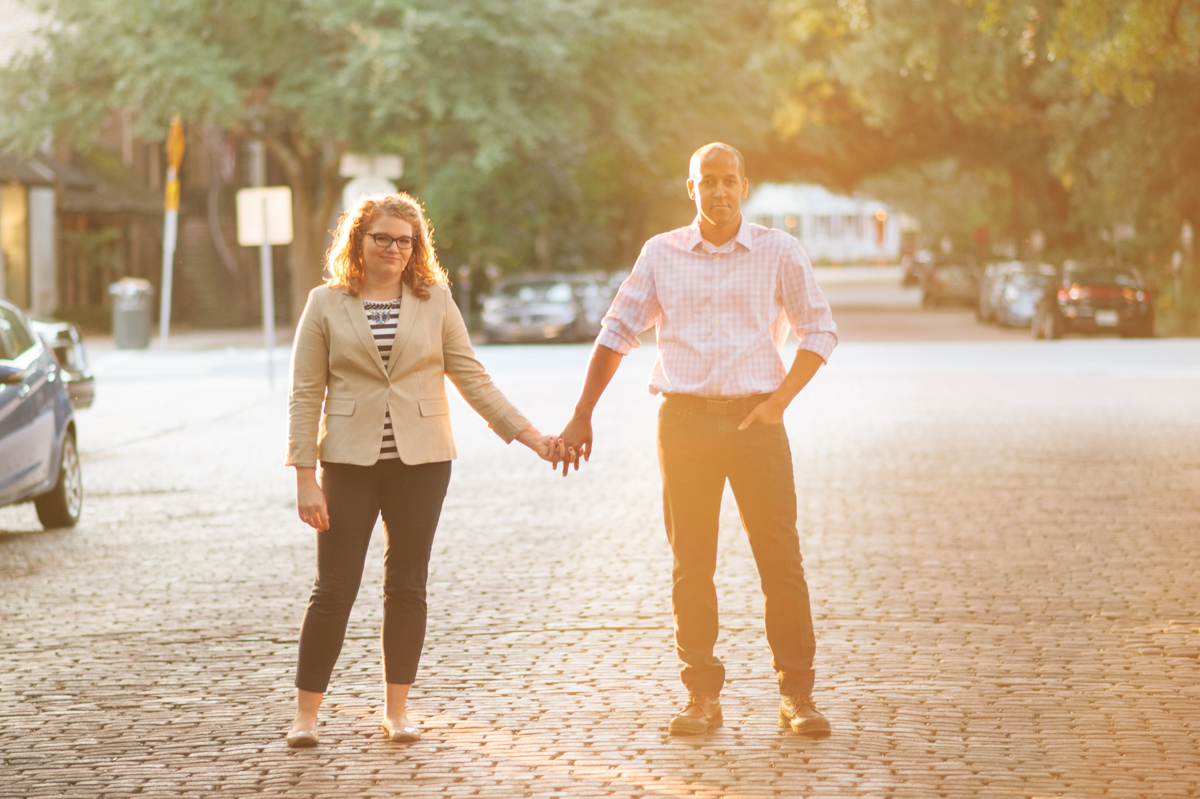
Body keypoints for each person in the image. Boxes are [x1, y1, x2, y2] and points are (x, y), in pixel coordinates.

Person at [558, 143, 837, 737]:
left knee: (780, 562)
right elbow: (616, 331)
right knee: (692, 566)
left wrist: (778, 402)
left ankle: (798, 696)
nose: (718, 191)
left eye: (728, 180)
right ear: (691, 189)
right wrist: (583, 415)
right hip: (683, 425)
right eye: (706, 181)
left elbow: (820, 330)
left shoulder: (778, 252)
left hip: (755, 425)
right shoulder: (661, 254)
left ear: (745, 185)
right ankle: (701, 696)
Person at [285, 193, 572, 748]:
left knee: (407, 586)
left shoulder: (434, 299)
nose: (393, 248)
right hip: (347, 461)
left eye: (404, 240)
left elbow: (473, 378)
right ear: (359, 241)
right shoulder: (325, 303)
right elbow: (304, 393)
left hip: (422, 462)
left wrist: (532, 436)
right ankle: (306, 717)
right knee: (334, 588)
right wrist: (304, 474)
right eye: (382, 238)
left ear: (416, 248)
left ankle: (397, 712)